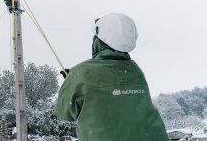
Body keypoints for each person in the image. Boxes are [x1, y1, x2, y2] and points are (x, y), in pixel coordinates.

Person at [55, 13, 169, 141]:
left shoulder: (81, 72)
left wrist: (70, 84)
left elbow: (64, 113)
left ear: (98, 40)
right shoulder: (136, 71)